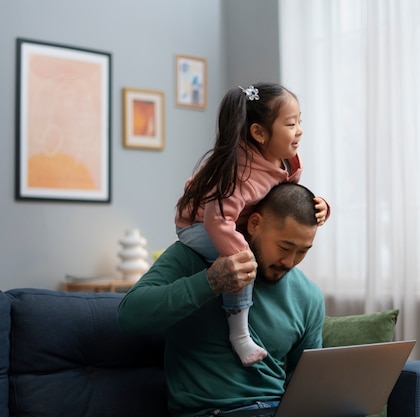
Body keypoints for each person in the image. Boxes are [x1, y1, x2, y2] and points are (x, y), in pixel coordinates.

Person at [117, 182, 325, 417]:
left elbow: (306, 386)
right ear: (255, 224)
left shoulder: (308, 296)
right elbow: (128, 316)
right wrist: (209, 283)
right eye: (284, 247)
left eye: (303, 251)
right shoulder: (191, 257)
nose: (290, 261)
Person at [174, 82, 329, 366]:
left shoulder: (288, 163)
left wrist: (320, 207)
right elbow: (216, 219)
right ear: (259, 132)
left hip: (231, 221)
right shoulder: (239, 174)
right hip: (197, 225)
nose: (300, 131)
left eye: (300, 122)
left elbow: (286, 201)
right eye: (291, 124)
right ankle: (240, 334)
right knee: (242, 264)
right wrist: (240, 252)